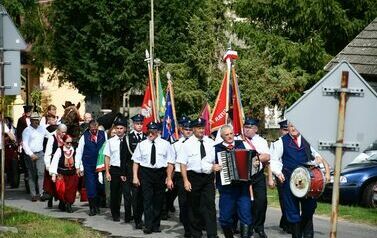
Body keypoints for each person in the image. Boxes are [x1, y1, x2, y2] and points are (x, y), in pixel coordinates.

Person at [270, 122, 330, 238]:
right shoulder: (281, 142)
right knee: (292, 210)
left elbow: (319, 154)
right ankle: (297, 235)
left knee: (310, 207)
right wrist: (278, 173)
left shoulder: (309, 139)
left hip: (307, 180)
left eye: (296, 126)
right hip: (290, 180)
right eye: (291, 127)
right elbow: (274, 160)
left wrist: (318, 158)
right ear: (288, 128)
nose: (293, 129)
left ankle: (306, 231)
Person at [177, 118, 219, 238]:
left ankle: (212, 234)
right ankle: (196, 233)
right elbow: (182, 164)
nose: (201, 130)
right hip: (193, 177)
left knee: (210, 205)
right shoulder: (187, 144)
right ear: (194, 129)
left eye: (202, 128)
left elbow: (215, 160)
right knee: (194, 206)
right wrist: (185, 180)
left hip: (208, 177)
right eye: (199, 128)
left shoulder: (210, 142)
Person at [132, 122, 175, 234]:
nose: (150, 134)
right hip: (146, 173)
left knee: (158, 200)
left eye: (153, 132)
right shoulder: (141, 144)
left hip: (160, 173)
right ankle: (148, 225)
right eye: (149, 131)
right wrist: (135, 177)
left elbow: (170, 163)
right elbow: (136, 162)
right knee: (147, 200)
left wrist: (169, 178)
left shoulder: (166, 144)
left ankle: (156, 224)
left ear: (158, 132)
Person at [215, 125, 254, 238]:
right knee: (225, 217)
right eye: (226, 135)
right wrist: (214, 166)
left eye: (231, 133)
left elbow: (251, 159)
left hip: (242, 187)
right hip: (226, 188)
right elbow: (208, 164)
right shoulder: (217, 148)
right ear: (222, 136)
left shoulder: (241, 144)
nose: (229, 136)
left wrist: (255, 163)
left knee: (246, 214)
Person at [242, 118, 271, 238]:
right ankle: (246, 227)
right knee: (245, 203)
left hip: (257, 175)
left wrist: (256, 158)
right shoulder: (239, 140)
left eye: (250, 127)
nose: (247, 130)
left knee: (261, 201)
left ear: (255, 129)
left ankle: (259, 227)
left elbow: (267, 156)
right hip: (243, 176)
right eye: (245, 127)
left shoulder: (261, 141)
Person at [75, 120, 107, 216]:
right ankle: (92, 207)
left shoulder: (103, 134)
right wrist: (78, 166)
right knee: (91, 185)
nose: (94, 131)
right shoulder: (84, 137)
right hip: (88, 164)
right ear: (89, 128)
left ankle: (97, 206)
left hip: (100, 164)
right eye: (92, 129)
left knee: (99, 185)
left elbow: (106, 148)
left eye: (95, 129)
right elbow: (79, 152)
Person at [103, 116, 128, 222]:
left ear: (125, 129)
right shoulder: (110, 141)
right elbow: (107, 157)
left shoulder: (128, 140)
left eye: (121, 128)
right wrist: (107, 172)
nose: (119, 130)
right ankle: (115, 214)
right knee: (115, 194)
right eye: (117, 128)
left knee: (127, 194)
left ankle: (128, 215)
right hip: (115, 169)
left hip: (126, 170)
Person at [22, 112, 50, 201]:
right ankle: (33, 194)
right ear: (31, 120)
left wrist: (57, 131)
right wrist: (31, 154)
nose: (36, 122)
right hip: (30, 154)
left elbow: (49, 136)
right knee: (32, 174)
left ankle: (41, 193)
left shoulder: (42, 128)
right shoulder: (27, 130)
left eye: (37, 120)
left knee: (41, 173)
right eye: (34, 120)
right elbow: (25, 144)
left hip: (40, 153)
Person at [125, 113, 146, 229]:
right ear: (133, 124)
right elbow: (124, 156)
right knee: (135, 196)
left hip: (144, 171)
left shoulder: (146, 136)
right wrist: (123, 173)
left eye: (141, 124)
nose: (139, 126)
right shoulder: (128, 137)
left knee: (144, 196)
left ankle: (142, 216)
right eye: (137, 124)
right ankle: (137, 220)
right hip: (131, 171)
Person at [172, 120, 193, 237]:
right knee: (184, 203)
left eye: (190, 130)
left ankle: (196, 225)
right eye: (186, 130)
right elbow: (172, 162)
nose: (188, 132)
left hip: (194, 174)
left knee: (196, 202)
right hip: (180, 175)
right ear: (182, 130)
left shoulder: (198, 142)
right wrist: (170, 178)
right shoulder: (175, 144)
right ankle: (187, 229)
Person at [50, 134, 79, 213]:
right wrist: (53, 174)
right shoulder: (59, 150)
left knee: (71, 191)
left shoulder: (74, 150)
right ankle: (62, 202)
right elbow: (54, 162)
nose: (69, 144)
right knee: (62, 190)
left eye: (70, 143)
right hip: (62, 174)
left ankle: (69, 204)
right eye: (67, 143)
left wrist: (80, 169)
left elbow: (78, 160)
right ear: (64, 142)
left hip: (72, 174)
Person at [270, 120, 291, 233]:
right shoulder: (276, 143)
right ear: (280, 130)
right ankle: (287, 223)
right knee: (284, 200)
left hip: (292, 174)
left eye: (288, 129)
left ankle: (286, 221)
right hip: (280, 174)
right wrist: (272, 178)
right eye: (284, 130)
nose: (286, 132)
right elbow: (271, 162)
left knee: (291, 200)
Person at [43, 124, 67, 208]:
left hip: (62, 163)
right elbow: (48, 153)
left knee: (61, 184)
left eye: (65, 132)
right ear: (58, 130)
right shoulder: (51, 138)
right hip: (53, 162)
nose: (64, 134)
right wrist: (48, 165)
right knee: (52, 184)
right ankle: (50, 199)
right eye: (62, 132)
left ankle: (62, 201)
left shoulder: (65, 138)